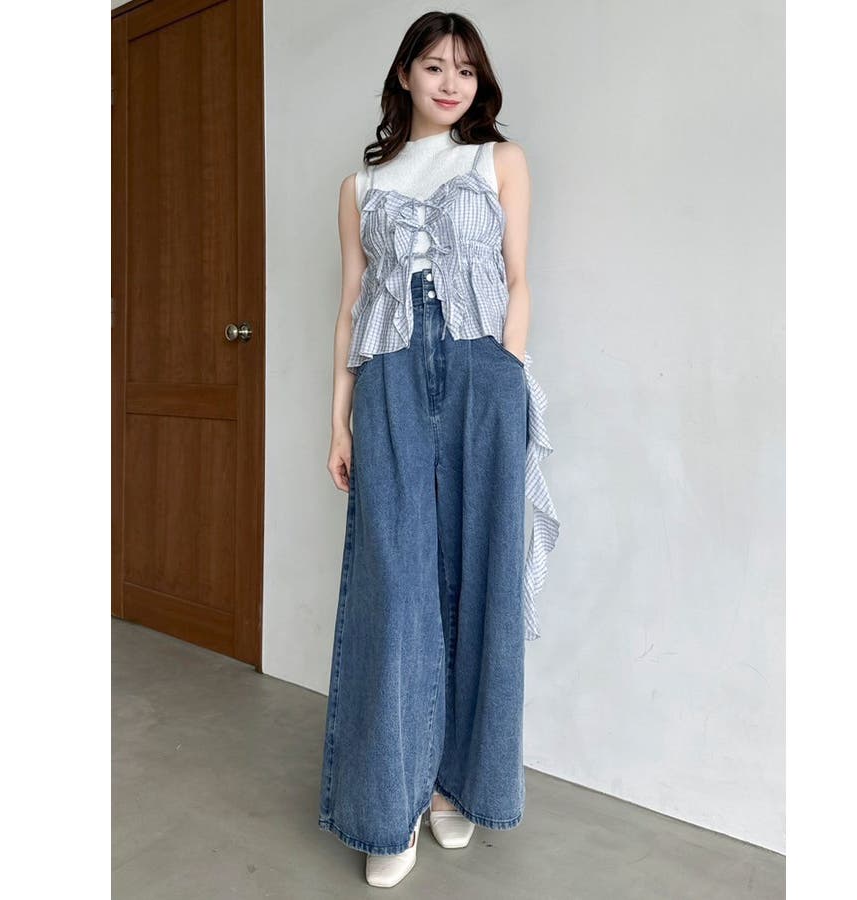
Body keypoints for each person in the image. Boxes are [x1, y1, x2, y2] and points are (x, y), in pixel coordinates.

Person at [317, 11, 559, 888]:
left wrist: (507, 369)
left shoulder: (499, 160)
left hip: (482, 372)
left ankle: (459, 784)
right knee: (396, 588)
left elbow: (519, 276)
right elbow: (351, 305)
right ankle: (391, 805)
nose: (450, 82)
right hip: (387, 377)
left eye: (465, 68)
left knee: (477, 578)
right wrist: (339, 421)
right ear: (405, 75)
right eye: (433, 66)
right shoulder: (361, 185)